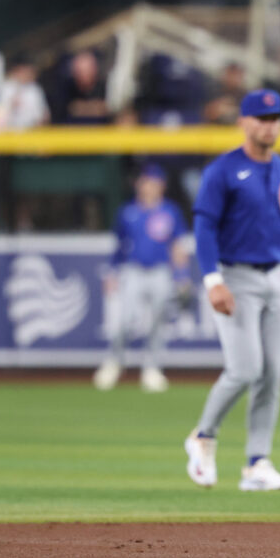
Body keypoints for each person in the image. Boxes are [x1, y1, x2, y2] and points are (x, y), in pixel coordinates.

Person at [183, 88, 280, 492]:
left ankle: (258, 463)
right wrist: (212, 279)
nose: (269, 125)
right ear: (243, 122)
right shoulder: (222, 170)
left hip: (275, 278)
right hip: (235, 276)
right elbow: (203, 227)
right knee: (244, 369)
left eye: (275, 119)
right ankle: (202, 436)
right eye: (261, 118)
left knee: (272, 374)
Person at [93, 164, 190, 393]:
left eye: (154, 183)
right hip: (133, 270)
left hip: (160, 271)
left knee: (158, 320)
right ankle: (114, 362)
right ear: (139, 184)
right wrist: (112, 272)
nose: (150, 187)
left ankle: (152, 368)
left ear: (162, 187)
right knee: (125, 319)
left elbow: (177, 246)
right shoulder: (128, 212)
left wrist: (182, 276)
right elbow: (119, 247)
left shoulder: (170, 211)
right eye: (146, 182)